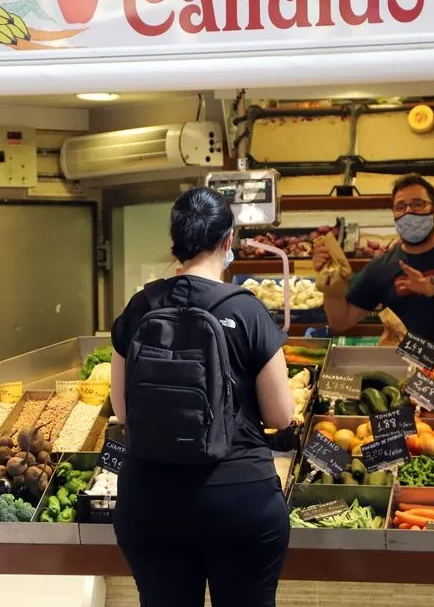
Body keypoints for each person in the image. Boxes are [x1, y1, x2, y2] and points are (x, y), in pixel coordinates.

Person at [109, 187, 295, 607]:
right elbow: (281, 414)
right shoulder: (246, 310)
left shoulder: (139, 307)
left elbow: (122, 410)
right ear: (228, 241)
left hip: (150, 501)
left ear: (175, 240)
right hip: (238, 498)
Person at [313, 173, 434, 347]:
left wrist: (433, 291)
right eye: (400, 207)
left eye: (417, 204)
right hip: (402, 369)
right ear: (394, 214)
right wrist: (329, 280)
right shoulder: (381, 266)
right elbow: (341, 320)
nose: (408, 212)